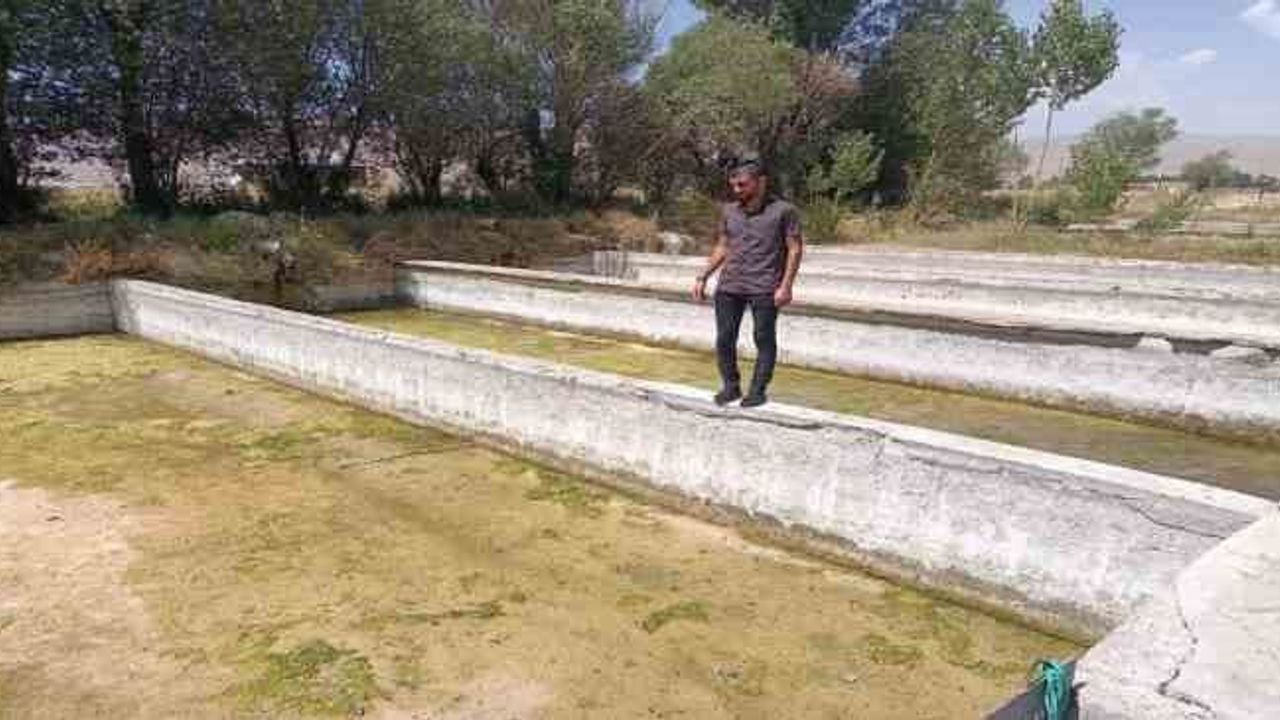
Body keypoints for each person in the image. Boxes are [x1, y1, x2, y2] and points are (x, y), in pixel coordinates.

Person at [692, 156, 804, 408]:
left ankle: (757, 391)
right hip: (730, 285)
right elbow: (723, 246)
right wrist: (703, 276)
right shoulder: (729, 211)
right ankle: (730, 387)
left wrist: (786, 286)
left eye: (742, 184)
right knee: (724, 338)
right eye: (733, 185)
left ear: (760, 182)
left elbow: (795, 249)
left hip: (765, 285)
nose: (736, 190)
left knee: (763, 338)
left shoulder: (784, 211)